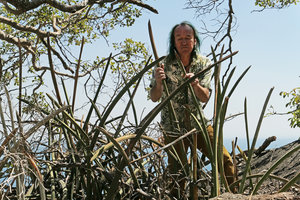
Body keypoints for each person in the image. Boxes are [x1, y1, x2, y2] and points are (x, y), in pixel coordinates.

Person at [149, 21, 235, 197]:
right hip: (173, 128)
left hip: (198, 124)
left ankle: (235, 195)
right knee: (177, 175)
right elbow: (154, 97)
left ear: (195, 41)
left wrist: (195, 84)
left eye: (188, 38)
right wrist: (158, 82)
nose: (184, 42)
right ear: (173, 41)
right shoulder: (162, 64)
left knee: (225, 161)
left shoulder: (204, 63)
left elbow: (205, 96)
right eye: (179, 38)